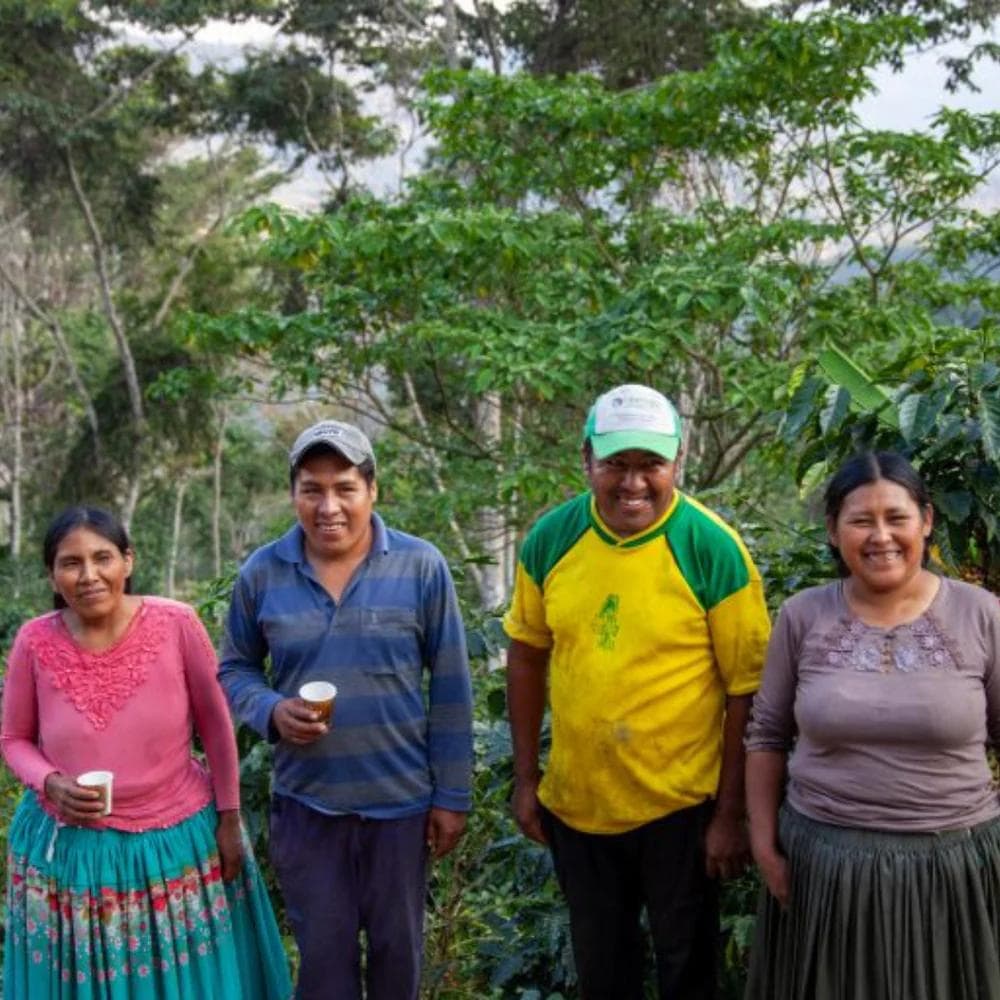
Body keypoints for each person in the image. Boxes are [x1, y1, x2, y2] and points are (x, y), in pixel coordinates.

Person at [504, 383, 771, 1000]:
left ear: (678, 462)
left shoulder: (712, 548)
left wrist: (730, 815)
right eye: (615, 465)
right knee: (603, 972)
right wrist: (526, 778)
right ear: (586, 461)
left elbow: (747, 692)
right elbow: (526, 654)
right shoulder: (552, 539)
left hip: (682, 809)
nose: (632, 484)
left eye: (650, 465)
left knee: (688, 971)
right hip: (579, 804)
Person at [219, 418, 474, 1000]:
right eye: (312, 489)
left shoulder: (420, 565)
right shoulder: (262, 572)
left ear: (372, 490)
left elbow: (453, 686)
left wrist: (452, 797)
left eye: (344, 488)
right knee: (324, 970)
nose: (328, 506)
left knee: (397, 964)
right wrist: (271, 711)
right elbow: (233, 668)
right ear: (294, 494)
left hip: (401, 810)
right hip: (307, 809)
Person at [0, 505, 291, 1000]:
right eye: (71, 563)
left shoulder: (176, 624)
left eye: (103, 557)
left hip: (174, 845)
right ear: (52, 573)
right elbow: (13, 740)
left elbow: (218, 730)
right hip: (71, 852)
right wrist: (51, 782)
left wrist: (228, 818)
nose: (89, 575)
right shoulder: (33, 641)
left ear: (128, 561)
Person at [745, 451, 1000, 1000]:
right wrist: (764, 846)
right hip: (825, 873)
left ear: (927, 522)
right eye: (860, 520)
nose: (880, 535)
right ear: (834, 532)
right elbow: (766, 733)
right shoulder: (803, 615)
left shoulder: (982, 615)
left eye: (896, 517)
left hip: (953, 871)